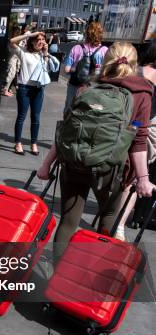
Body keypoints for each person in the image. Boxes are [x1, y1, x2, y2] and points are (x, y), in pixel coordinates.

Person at [37, 42, 155, 256]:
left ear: (106, 60)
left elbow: (65, 130)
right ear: (134, 64)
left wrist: (46, 165)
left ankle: (57, 282)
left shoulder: (87, 87)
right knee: (108, 219)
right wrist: (143, 178)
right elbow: (138, 138)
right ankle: (89, 275)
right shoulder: (142, 93)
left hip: (73, 163)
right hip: (112, 170)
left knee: (68, 222)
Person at [112, 43, 156, 239]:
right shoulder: (148, 76)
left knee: (125, 176)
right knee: (135, 177)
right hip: (144, 129)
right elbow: (147, 111)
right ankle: (118, 225)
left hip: (125, 125)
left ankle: (114, 221)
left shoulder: (135, 70)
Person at [9, 31, 60, 155]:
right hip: (24, 89)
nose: (41, 42)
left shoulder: (43, 56)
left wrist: (46, 54)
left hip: (38, 89)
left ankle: (33, 143)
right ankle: (18, 143)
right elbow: (12, 41)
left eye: (43, 40)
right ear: (32, 41)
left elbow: (48, 71)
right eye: (38, 39)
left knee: (36, 117)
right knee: (21, 116)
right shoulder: (23, 53)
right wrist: (30, 34)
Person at [63, 22, 108, 114]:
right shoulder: (105, 51)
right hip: (94, 88)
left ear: (86, 34)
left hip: (75, 85)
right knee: (89, 112)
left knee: (70, 109)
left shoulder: (76, 48)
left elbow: (66, 70)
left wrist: (77, 69)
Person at [2, 27, 22, 97]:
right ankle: (5, 90)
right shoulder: (12, 41)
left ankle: (7, 89)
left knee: (12, 74)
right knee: (10, 74)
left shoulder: (14, 40)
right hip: (12, 59)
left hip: (14, 59)